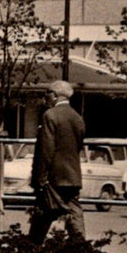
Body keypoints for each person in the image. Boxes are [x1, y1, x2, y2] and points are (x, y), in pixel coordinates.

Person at [27, 80, 86, 243]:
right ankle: (82, 250)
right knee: (74, 216)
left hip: (52, 178)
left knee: (41, 219)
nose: (45, 97)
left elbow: (45, 150)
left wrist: (39, 179)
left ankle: (31, 252)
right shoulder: (77, 117)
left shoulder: (50, 115)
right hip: (72, 176)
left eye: (47, 93)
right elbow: (78, 146)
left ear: (54, 95)